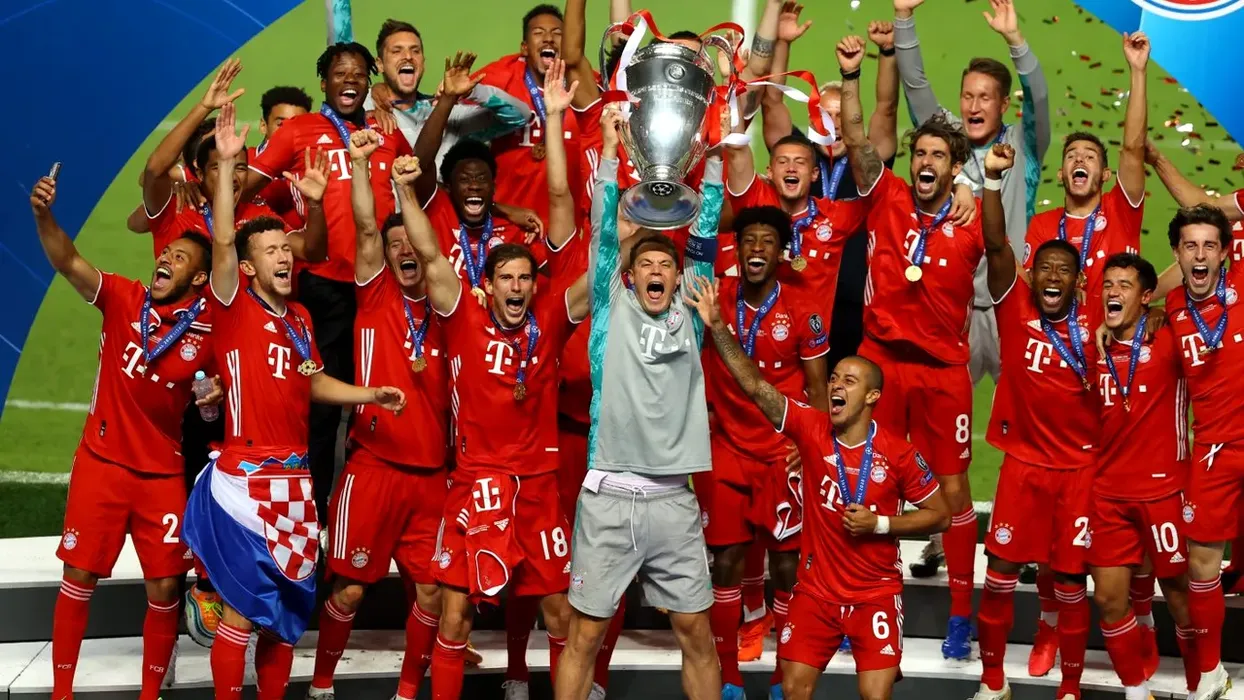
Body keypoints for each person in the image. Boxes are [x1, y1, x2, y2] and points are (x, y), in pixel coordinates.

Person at [182, 104, 407, 700]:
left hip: (296, 482)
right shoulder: (233, 307)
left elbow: (312, 382)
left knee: (285, 617)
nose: (283, 256)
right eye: (270, 251)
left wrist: (370, 393)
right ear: (248, 267)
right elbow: (222, 239)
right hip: (245, 481)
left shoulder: (301, 317)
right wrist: (227, 166)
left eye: (286, 248)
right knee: (243, 610)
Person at [686, 273, 950, 700]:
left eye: (849, 381)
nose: (836, 385)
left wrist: (881, 525)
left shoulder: (898, 454)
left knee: (875, 696)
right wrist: (717, 326)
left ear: (872, 397)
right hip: (816, 594)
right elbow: (755, 386)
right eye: (834, 378)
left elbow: (942, 515)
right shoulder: (811, 429)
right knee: (794, 690)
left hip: (875, 595)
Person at [389, 133, 588, 699]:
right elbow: (429, 254)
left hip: (539, 487)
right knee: (455, 617)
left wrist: (640, 208)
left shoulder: (550, 319)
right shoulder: (462, 317)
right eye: (506, 279)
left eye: (524, 278)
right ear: (488, 286)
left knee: (560, 615)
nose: (516, 287)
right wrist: (405, 191)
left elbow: (601, 274)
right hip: (476, 483)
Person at [738, 6, 902, 656]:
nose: (831, 122)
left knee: (824, 487)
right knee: (759, 497)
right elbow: (772, 112)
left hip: (826, 364)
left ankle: (835, 594)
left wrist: (879, 61)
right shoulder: (757, 207)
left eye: (838, 114)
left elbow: (879, 129)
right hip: (763, 364)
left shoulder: (840, 211)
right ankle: (765, 606)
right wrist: (778, 47)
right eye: (823, 112)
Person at [553, 103, 724, 700]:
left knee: (697, 634)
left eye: (665, 264)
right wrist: (607, 152)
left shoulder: (693, 312)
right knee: (584, 636)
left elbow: (704, 233)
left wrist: (715, 158)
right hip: (609, 496)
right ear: (630, 273)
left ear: (678, 278)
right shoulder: (610, 310)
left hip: (674, 499)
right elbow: (604, 231)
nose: (656, 269)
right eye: (645, 262)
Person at [32, 175, 221, 700]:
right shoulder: (122, 296)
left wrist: (218, 392)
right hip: (102, 462)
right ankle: (61, 693)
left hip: (161, 474)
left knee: (165, 586)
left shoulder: (209, 331)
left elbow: (230, 378)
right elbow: (68, 261)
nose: (166, 260)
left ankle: (149, 694)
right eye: (167, 253)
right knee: (79, 576)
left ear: (199, 278)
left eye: (180, 258)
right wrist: (44, 217)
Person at [895, 0, 1053, 590]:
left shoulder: (1024, 146)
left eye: (986, 97)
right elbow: (915, 89)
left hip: (1013, 309)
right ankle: (938, 538)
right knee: (940, 435)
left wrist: (1017, 41)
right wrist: (904, 21)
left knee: (1031, 433)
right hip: (955, 312)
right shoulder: (950, 145)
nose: (973, 105)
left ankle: (1031, 542)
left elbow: (1041, 99)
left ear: (1003, 103)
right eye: (968, 95)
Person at [836, 35, 985, 660]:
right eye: (919, 152)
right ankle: (862, 602)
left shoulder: (972, 218)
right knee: (868, 482)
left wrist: (976, 189)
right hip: (882, 364)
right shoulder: (887, 195)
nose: (924, 161)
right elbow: (857, 140)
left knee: (951, 493)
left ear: (954, 168)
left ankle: (961, 614)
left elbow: (1003, 237)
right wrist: (851, 77)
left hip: (944, 372)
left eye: (937, 156)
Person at [1018, 32, 1151, 671]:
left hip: (1119, 390)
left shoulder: (1122, 214)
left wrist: (1137, 71)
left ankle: (1141, 623)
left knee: (1128, 508)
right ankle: (1049, 627)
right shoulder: (1042, 229)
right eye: (1071, 154)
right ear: (1062, 171)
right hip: (1058, 396)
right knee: (1056, 527)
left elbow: (1133, 148)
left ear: (1103, 174)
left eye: (1090, 157)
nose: (1079, 160)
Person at [305, 132, 451, 700]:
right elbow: (366, 228)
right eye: (395, 246)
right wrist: (362, 165)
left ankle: (407, 692)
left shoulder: (448, 306)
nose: (403, 250)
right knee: (348, 591)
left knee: (432, 594)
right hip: (374, 469)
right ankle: (321, 686)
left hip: (431, 477)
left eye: (410, 240)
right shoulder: (376, 294)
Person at [244, 41, 414, 524]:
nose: (350, 80)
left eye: (359, 73)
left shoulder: (384, 131)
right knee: (321, 409)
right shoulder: (298, 131)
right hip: (323, 288)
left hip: (379, 290)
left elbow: (415, 184)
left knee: (378, 399)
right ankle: (313, 516)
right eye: (340, 73)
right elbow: (249, 188)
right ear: (324, 83)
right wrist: (273, 235)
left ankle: (365, 512)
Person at [976, 141, 1100, 700]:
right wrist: (991, 179)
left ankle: (1070, 689)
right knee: (999, 575)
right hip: (1022, 468)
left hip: (1078, 473)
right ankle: (992, 682)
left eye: (1063, 271)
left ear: (1078, 282)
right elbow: (995, 243)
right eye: (1044, 268)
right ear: (1031, 276)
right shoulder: (1015, 305)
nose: (1052, 276)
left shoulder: (1097, 325)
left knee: (1071, 581)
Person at [696, 205, 830, 700]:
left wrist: (809, 442)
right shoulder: (715, 298)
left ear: (781, 253)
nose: (756, 248)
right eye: (748, 240)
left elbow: (818, 389)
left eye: (767, 242)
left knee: (787, 566)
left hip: (781, 451)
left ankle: (781, 677)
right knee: (726, 560)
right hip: (727, 447)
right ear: (737, 250)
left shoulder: (804, 308)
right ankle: (728, 676)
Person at [1089, 253, 1197, 700]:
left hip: (1165, 490)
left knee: (1180, 594)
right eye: (1107, 284)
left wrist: (1158, 309)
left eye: (1125, 285)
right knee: (1108, 599)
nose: (1112, 292)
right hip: (1108, 493)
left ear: (1147, 295)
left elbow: (1193, 270)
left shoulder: (1170, 338)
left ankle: (1202, 680)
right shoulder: (1094, 347)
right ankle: (1136, 691)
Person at [1161, 204, 1244, 700]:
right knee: (1201, 564)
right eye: (1190, 245)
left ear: (1225, 253)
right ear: (1177, 253)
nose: (1199, 255)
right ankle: (1211, 673)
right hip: (1213, 451)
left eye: (1209, 246)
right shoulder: (1169, 311)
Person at [321, 10, 533, 173]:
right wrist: (372, 93)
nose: (408, 57)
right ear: (380, 64)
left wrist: (472, 92)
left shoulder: (447, 113)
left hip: (436, 215)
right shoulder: (362, 106)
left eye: (415, 51)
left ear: (423, 62)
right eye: (397, 51)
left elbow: (520, 116)